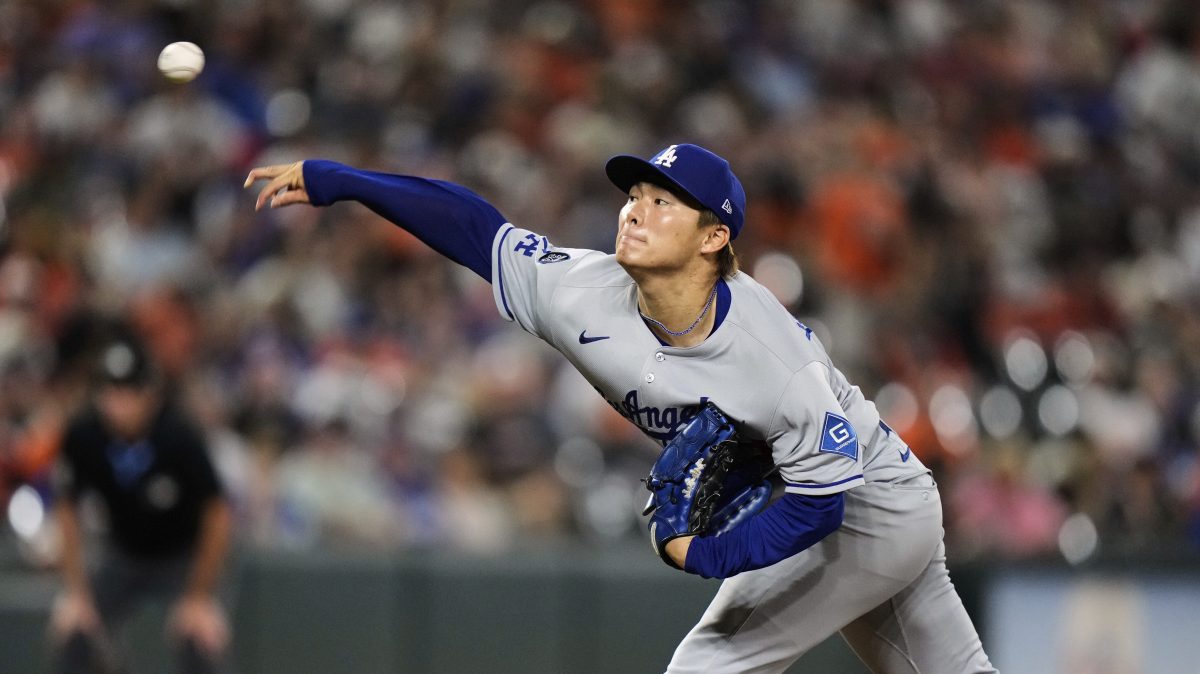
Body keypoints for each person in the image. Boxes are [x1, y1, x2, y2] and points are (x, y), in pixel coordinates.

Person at [245, 143, 996, 673]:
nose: (634, 210)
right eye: (634, 194)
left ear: (714, 236)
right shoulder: (582, 291)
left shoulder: (770, 354)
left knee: (714, 659)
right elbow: (476, 228)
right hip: (829, 500)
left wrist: (704, 554)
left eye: (662, 201)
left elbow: (822, 505)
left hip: (867, 504)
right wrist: (340, 179)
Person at [50, 337, 232, 674]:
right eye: (109, 391)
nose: (117, 403)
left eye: (128, 392)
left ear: (149, 393)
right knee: (76, 630)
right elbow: (66, 509)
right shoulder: (85, 434)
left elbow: (217, 514)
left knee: (199, 637)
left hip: (181, 556)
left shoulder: (178, 436)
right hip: (122, 554)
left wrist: (200, 594)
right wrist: (76, 591)